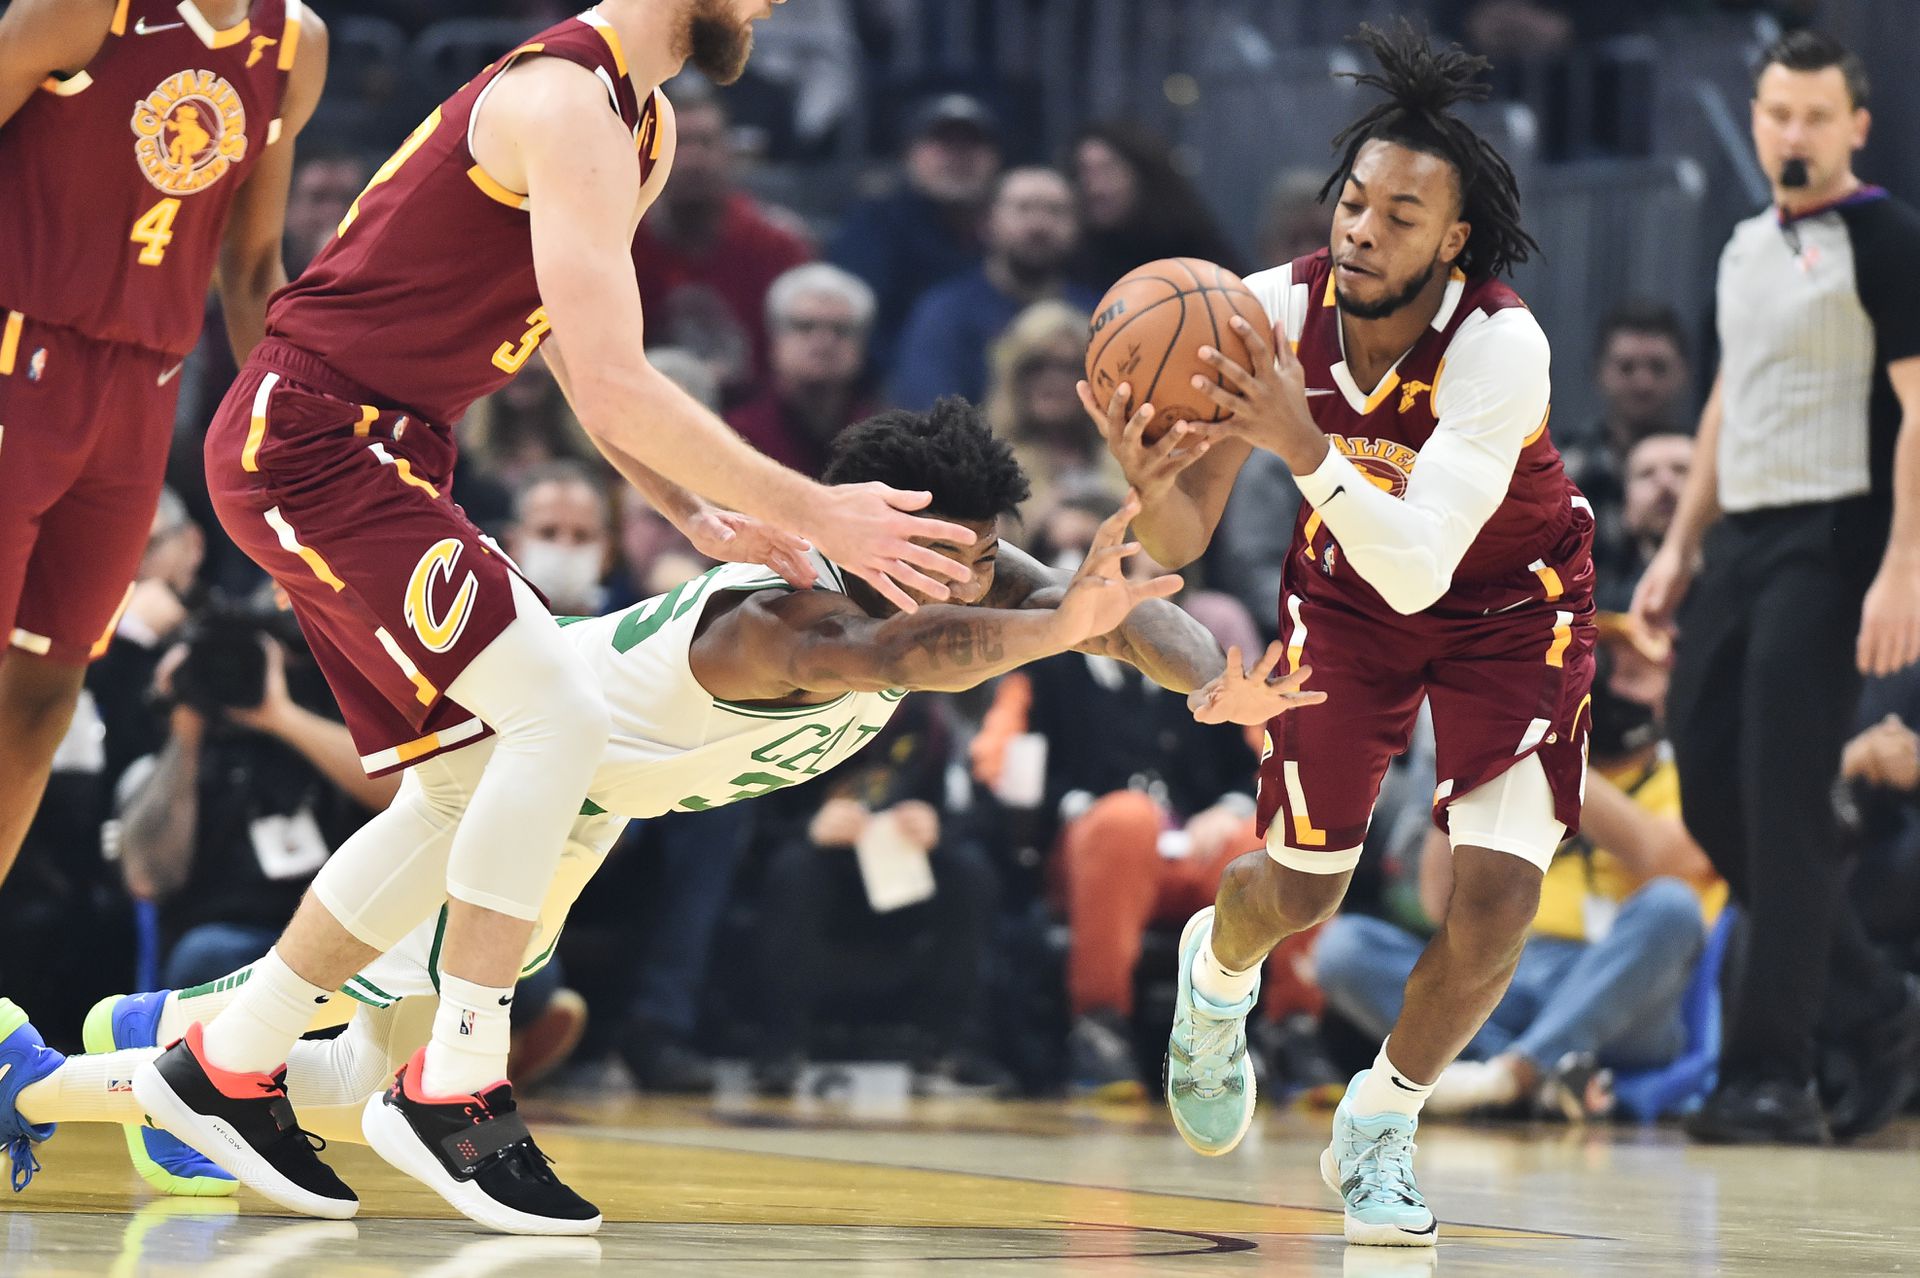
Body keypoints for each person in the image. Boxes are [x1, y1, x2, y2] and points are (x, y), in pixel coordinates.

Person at [0, 399, 1324, 1214]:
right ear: (874, 530)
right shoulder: (783, 619)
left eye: (984, 562)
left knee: (357, 1074)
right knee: (357, 1069)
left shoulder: (954, 571)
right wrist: (1057, 628)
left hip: (574, 821)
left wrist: (1214, 682)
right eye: (950, 559)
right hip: (500, 787)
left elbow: (1113, 611)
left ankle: (134, 1048)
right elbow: (906, 660)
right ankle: (60, 1077)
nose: (973, 584)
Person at [149, 0, 987, 1235]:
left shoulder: (640, 124)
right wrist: (815, 507)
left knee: (463, 780)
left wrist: (689, 508)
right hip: (317, 439)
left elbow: (568, 345)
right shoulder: (560, 99)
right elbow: (614, 380)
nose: (771, 6)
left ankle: (226, 1063)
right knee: (559, 716)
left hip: (391, 450)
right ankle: (454, 1082)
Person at [1083, 23, 1590, 1246]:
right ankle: (1217, 976)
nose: (1363, 229)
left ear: (1453, 239)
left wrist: (1302, 445)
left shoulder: (1500, 344)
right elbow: (1187, 534)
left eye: (1401, 215)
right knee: (1305, 888)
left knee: (1497, 906)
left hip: (1514, 607)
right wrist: (1149, 474)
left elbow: (1423, 567)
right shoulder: (1259, 314)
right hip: (1349, 604)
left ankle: (1380, 1125)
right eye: (1354, 201)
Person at [1632, 30, 1920, 1145]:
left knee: (1784, 804)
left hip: (1836, 535)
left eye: (1815, 115)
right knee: (1708, 786)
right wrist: (1679, 546)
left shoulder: (1887, 238)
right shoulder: (1746, 244)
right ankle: (1877, 1007)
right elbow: (1726, 403)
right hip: (1742, 539)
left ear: (1856, 126)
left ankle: (1770, 1077)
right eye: (1778, 113)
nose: (1793, 132)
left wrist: (1903, 564)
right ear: (1756, 120)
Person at [0, 0, 328, 897]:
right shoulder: (85, 11)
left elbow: (252, 267)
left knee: (44, 695)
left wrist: (299, 447)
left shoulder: (293, 44)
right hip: (20, 349)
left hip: (144, 394)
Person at [1316, 643, 1722, 1122]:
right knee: (1344, 948)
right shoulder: (1514, 771)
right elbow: (1437, 904)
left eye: (1633, 675)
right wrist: (1464, 771)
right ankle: (1536, 1074)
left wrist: (1550, 752)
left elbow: (1668, 861)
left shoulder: (1684, 776)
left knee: (1672, 907)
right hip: (1509, 976)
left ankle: (1512, 1074)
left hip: (1624, 994)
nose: (1607, 685)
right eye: (1599, 667)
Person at [629, 85, 813, 396]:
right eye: (678, 142)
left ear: (731, 152)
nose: (692, 159)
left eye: (706, 142)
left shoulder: (778, 245)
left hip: (755, 410)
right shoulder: (620, 243)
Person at [891, 168, 1098, 411]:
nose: (1039, 224)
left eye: (1056, 211)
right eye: (1023, 208)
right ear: (987, 222)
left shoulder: (1097, 316)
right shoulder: (944, 313)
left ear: (1078, 226)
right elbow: (930, 411)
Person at [827, 93, 1002, 378]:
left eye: (972, 144)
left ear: (996, 160)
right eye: (943, 143)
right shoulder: (875, 226)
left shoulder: (1013, 232)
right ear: (909, 154)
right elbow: (857, 326)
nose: (958, 157)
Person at [1561, 303, 1692, 593]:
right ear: (1599, 372)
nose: (1643, 382)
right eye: (1627, 367)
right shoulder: (1564, 472)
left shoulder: (1709, 466)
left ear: (1683, 372)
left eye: (1658, 367)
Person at [727, 264, 878, 477]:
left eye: (841, 330)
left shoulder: (881, 439)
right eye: (805, 326)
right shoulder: (736, 436)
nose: (823, 342)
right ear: (775, 341)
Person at [984, 301, 1123, 520]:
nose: (1052, 381)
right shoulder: (988, 464)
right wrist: (1040, 524)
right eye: (1037, 367)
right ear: (1014, 378)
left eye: (1067, 368)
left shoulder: (1123, 459)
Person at [1069, 121, 1245, 293]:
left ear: (1141, 173)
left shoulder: (1193, 248)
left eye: (1108, 169)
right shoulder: (1077, 257)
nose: (1094, 188)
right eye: (1085, 172)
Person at [505, 461, 616, 618]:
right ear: (514, 544)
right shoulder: (481, 627)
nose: (565, 547)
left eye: (581, 535)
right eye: (548, 533)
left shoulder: (637, 630)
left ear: (607, 553)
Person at [1597, 432, 1690, 610]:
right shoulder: (1600, 609)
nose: (1665, 482)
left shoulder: (1742, 591)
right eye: (1646, 473)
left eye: (1681, 469)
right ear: (1626, 507)